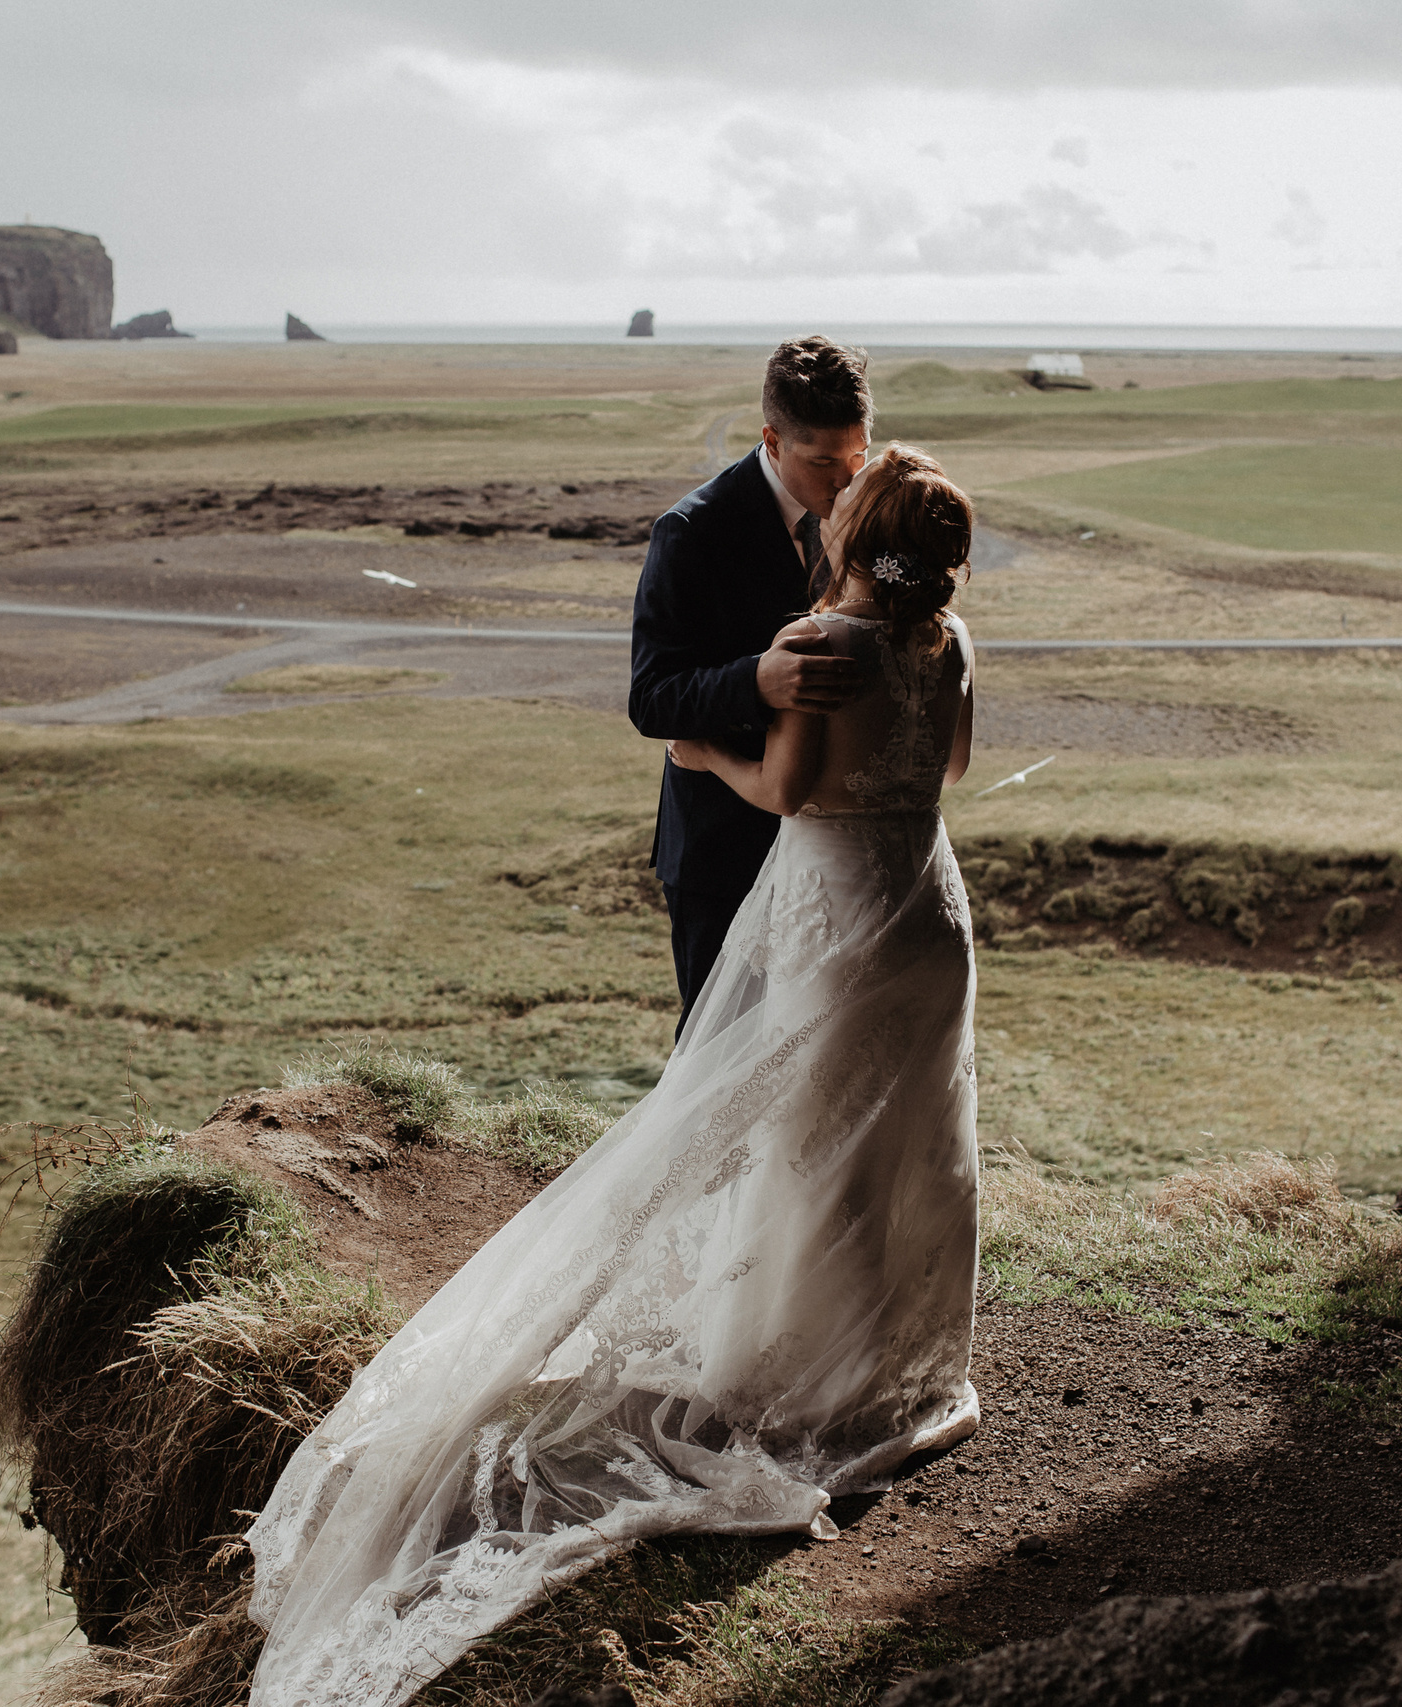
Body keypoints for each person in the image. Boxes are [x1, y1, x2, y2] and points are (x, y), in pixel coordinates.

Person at [239, 445, 984, 1707]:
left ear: (858, 532)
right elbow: (953, 767)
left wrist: (703, 758)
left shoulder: (827, 640)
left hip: (834, 905)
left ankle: (799, 1371)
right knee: (910, 1139)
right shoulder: (948, 643)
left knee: (809, 1144)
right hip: (926, 909)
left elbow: (791, 788)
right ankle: (897, 1370)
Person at [629, 335, 873, 1027]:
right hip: (723, 848)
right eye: (823, 461)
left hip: (832, 857)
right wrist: (755, 681)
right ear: (771, 439)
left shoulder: (866, 512)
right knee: (720, 1060)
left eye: (857, 457)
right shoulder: (690, 533)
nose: (845, 481)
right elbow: (651, 698)